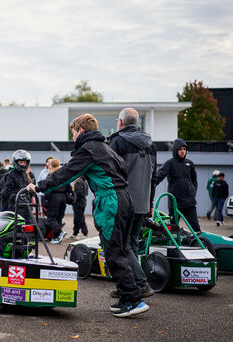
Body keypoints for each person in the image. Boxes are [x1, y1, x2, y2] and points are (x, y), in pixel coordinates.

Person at [30, 113, 148, 317]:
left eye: (73, 133)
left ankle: (134, 299)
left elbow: (66, 173)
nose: (73, 138)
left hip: (111, 200)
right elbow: (122, 170)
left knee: (113, 250)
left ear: (81, 131)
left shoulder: (89, 149)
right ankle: (128, 296)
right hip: (126, 198)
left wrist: (39, 186)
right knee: (122, 247)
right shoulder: (106, 147)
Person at [108, 107, 156, 298]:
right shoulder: (151, 144)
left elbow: (110, 173)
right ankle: (129, 286)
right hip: (143, 202)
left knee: (122, 245)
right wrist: (150, 203)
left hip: (124, 202)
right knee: (133, 244)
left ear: (121, 122)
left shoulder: (117, 141)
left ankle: (141, 284)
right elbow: (154, 176)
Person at [155, 138, 200, 232]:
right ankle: (174, 245)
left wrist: (192, 192)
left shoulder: (189, 163)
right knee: (173, 230)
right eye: (180, 149)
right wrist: (150, 184)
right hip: (175, 203)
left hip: (189, 203)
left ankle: (200, 245)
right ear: (175, 150)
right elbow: (158, 177)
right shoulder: (169, 163)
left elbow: (194, 181)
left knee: (196, 229)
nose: (183, 151)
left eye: (184, 149)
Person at [42, 158, 70, 244]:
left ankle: (59, 232)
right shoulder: (64, 175)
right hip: (63, 198)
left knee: (51, 217)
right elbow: (68, 187)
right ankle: (56, 237)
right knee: (59, 218)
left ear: (50, 165)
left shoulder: (51, 176)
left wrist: (45, 200)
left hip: (54, 197)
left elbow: (47, 188)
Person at [4, 150, 35, 220]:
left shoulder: (25, 174)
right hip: (14, 206)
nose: (23, 164)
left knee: (32, 224)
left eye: (24, 162)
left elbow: (27, 189)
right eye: (21, 162)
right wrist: (17, 198)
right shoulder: (11, 175)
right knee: (17, 227)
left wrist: (28, 197)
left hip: (25, 205)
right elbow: (7, 192)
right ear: (16, 162)